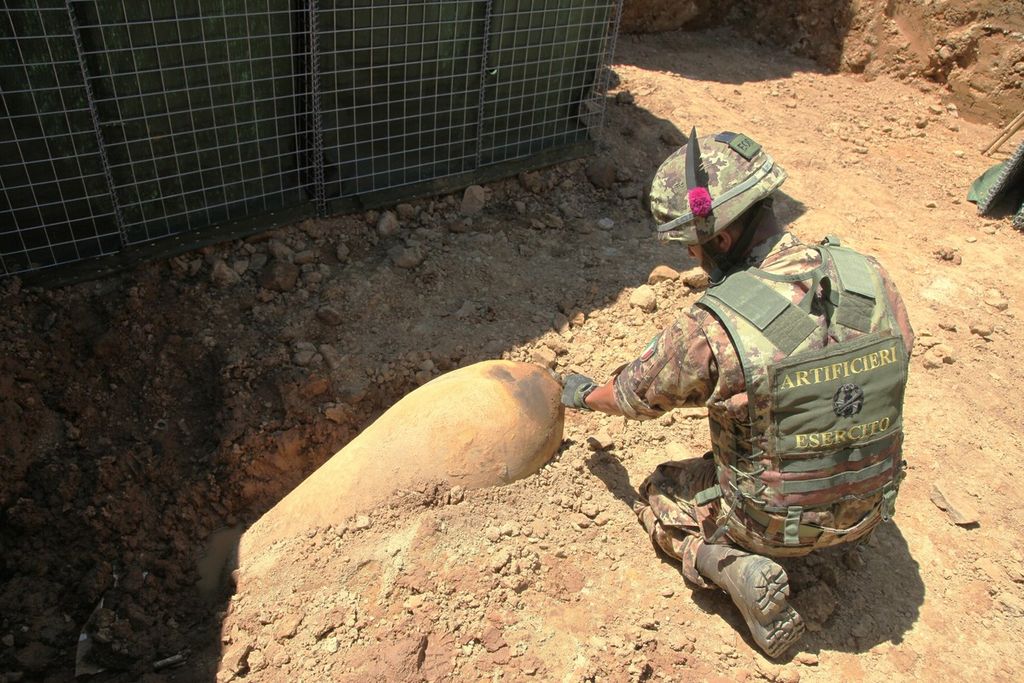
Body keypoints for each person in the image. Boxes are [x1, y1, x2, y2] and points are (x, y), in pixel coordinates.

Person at [561, 129, 914, 658]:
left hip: (771, 526)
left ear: (722, 240)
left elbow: (633, 396)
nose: (693, 258)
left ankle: (727, 565)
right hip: (868, 509)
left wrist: (584, 395)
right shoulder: (869, 276)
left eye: (692, 247)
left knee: (662, 490)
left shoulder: (714, 327)